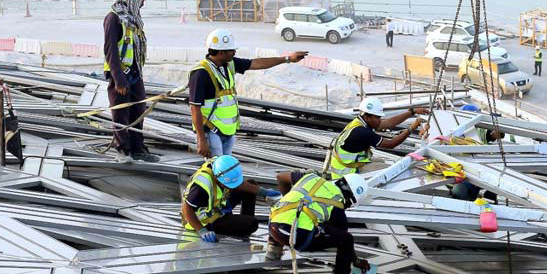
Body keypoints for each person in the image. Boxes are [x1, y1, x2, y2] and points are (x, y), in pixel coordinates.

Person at [188, 29, 308, 158]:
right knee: (217, 170)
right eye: (231, 50)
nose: (234, 52)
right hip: (211, 131)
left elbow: (257, 63)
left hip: (227, 131)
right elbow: (195, 108)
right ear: (221, 52)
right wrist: (201, 139)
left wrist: (287, 59)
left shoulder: (229, 64)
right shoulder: (201, 74)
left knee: (225, 169)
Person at [267, 172, 374, 274]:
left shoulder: (310, 177)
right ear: (350, 198)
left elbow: (280, 177)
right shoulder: (337, 207)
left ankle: (273, 250)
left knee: (288, 215)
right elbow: (345, 244)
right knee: (346, 239)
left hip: (273, 228)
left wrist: (288, 199)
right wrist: (356, 261)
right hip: (298, 239)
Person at [102, 0, 157, 163]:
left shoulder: (133, 19)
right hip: (120, 76)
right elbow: (110, 51)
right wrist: (118, 79)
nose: (144, 1)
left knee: (138, 111)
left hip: (135, 73)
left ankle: (138, 148)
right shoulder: (114, 18)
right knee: (121, 114)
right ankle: (124, 149)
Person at [314, 97, 427, 179]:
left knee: (382, 161)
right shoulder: (362, 132)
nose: (379, 120)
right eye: (377, 117)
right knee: (390, 171)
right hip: (346, 172)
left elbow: (388, 123)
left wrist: (412, 112)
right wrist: (411, 128)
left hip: (349, 164)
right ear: (367, 117)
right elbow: (391, 144)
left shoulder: (360, 122)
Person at [181, 155, 273, 242]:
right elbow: (186, 208)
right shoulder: (201, 186)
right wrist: (201, 230)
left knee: (251, 184)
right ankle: (243, 224)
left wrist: (263, 191)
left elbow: (237, 184)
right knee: (252, 223)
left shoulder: (219, 167)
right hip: (207, 221)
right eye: (227, 185)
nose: (231, 188)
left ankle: (243, 220)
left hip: (219, 208)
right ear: (218, 177)